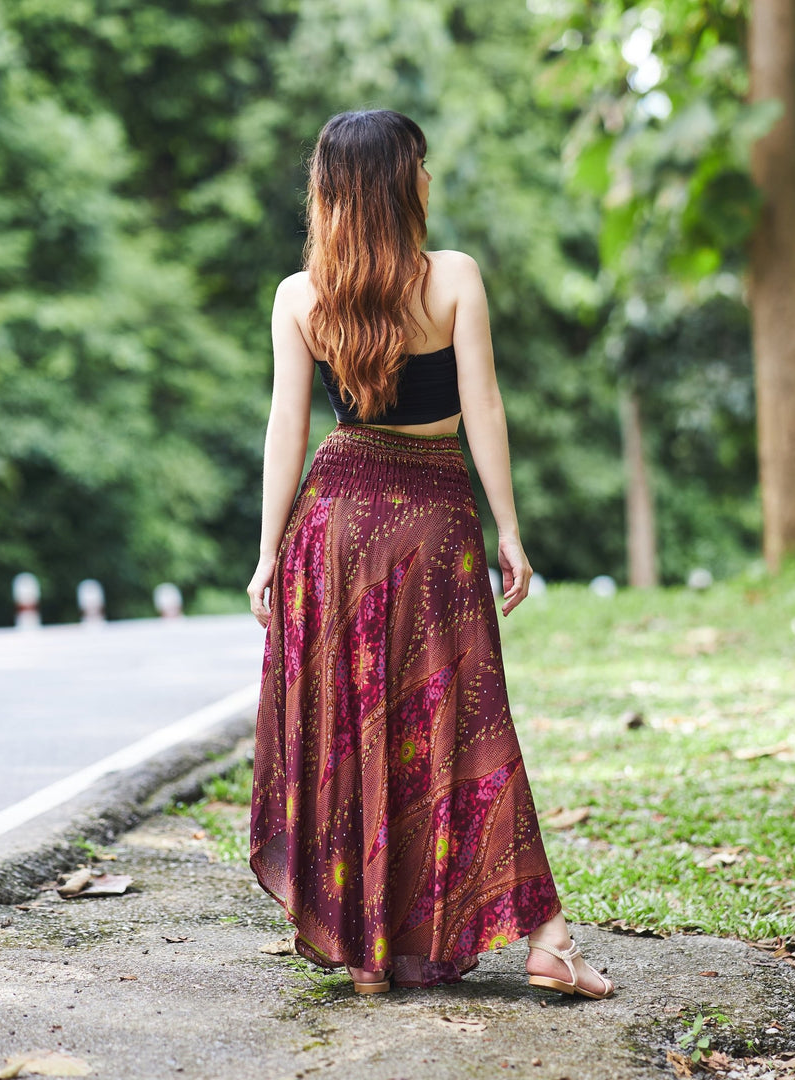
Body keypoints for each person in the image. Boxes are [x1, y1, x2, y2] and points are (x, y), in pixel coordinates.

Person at [246, 109, 613, 999]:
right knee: (462, 719)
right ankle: (550, 940)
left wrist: (267, 554)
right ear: (395, 182)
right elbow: (483, 406)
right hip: (433, 519)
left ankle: (366, 952)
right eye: (420, 164)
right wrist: (509, 529)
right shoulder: (453, 276)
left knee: (354, 725)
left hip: (332, 522)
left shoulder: (299, 295)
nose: (429, 177)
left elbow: (286, 430)